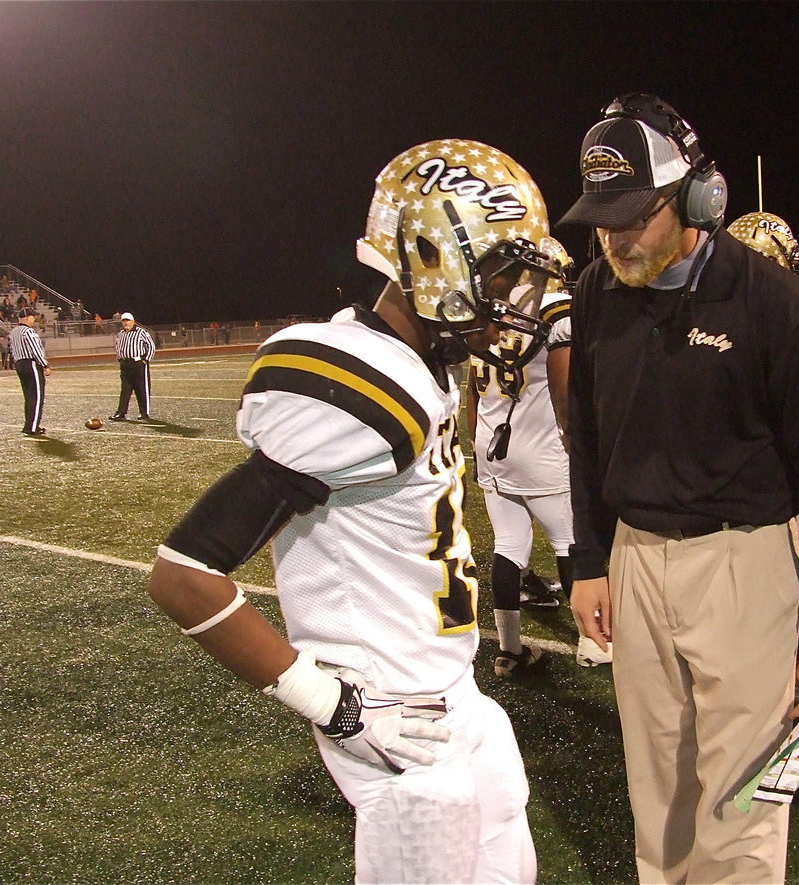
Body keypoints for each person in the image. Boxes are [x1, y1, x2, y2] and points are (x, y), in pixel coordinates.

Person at [147, 138, 558, 884]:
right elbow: (183, 576)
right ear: (435, 257)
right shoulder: (363, 379)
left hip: (451, 693)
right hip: (390, 714)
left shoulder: (423, 366)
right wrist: (334, 706)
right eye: (503, 271)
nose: (515, 296)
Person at [560, 93, 799, 884]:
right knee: (657, 796)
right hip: (634, 558)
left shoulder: (776, 304)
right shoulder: (597, 291)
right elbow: (587, 439)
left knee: (739, 810)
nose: (614, 237)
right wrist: (590, 556)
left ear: (700, 198)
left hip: (745, 563)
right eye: (603, 217)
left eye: (634, 216)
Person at [467, 237, 607, 674]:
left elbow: (471, 394)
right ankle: (593, 644)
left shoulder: (486, 309)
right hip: (542, 447)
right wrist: (578, 444)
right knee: (570, 543)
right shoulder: (553, 307)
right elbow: (564, 394)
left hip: (492, 445)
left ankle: (510, 650)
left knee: (508, 547)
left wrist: (477, 449)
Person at [10, 307, 52, 435]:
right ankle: (33, 427)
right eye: (33, 317)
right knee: (37, 396)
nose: (34, 319)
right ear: (28, 317)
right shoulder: (29, 332)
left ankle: (29, 425)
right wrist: (45, 365)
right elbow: (36, 350)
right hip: (31, 364)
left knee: (28, 397)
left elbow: (12, 350)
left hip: (20, 364)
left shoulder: (13, 332)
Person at [109, 312, 156, 421]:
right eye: (123, 321)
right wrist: (120, 359)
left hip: (138, 363)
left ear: (133, 321)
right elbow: (118, 347)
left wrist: (145, 360)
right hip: (125, 364)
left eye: (128, 320)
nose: (125, 323)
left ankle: (144, 413)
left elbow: (151, 346)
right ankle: (121, 412)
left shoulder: (141, 332)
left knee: (141, 388)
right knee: (125, 389)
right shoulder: (121, 333)